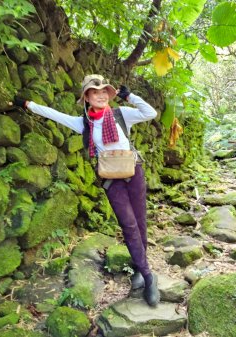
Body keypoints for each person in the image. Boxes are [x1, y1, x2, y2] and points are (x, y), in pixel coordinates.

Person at [12, 74, 160, 307]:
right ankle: (150, 277)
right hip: (111, 180)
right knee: (128, 224)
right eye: (95, 91)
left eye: (104, 91)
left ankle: (140, 269)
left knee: (140, 222)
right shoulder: (83, 123)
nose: (101, 95)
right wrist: (27, 105)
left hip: (134, 172)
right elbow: (53, 114)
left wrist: (130, 96)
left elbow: (150, 113)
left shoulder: (121, 114)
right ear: (87, 97)